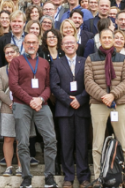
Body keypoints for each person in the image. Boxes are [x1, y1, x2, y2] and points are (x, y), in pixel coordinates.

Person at [10, 31, 59, 188]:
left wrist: (41, 99)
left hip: (42, 105)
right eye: (28, 42)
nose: (31, 45)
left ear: (38, 45)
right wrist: (30, 100)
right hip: (22, 105)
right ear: (23, 45)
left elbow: (48, 86)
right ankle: (26, 176)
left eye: (34, 43)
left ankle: (49, 176)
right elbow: (13, 85)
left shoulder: (44, 62)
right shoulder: (16, 61)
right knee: (23, 142)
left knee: (51, 140)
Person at [84, 27, 125, 185]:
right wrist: (103, 96)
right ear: (100, 40)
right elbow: (88, 82)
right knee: (97, 142)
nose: (106, 40)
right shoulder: (91, 58)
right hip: (98, 104)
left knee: (123, 141)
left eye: (109, 38)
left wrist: (113, 95)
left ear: (113, 39)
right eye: (103, 38)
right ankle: (98, 176)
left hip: (118, 104)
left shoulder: (123, 58)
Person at [50, 33, 91, 188]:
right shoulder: (56, 63)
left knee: (81, 144)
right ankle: (68, 177)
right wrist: (68, 100)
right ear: (61, 46)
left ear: (77, 44)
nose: (69, 45)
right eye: (65, 43)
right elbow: (54, 86)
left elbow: (90, 83)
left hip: (82, 108)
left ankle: (83, 177)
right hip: (64, 110)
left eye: (71, 42)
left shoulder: (85, 62)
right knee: (66, 145)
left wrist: (80, 99)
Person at [0, 44, 20, 177]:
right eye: (7, 53)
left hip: (23, 106)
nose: (9, 55)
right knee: (8, 138)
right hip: (7, 108)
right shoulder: (1, 71)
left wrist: (18, 102)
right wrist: (11, 103)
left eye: (12, 52)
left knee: (21, 139)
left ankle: (21, 167)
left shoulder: (24, 68)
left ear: (17, 53)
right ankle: (9, 167)